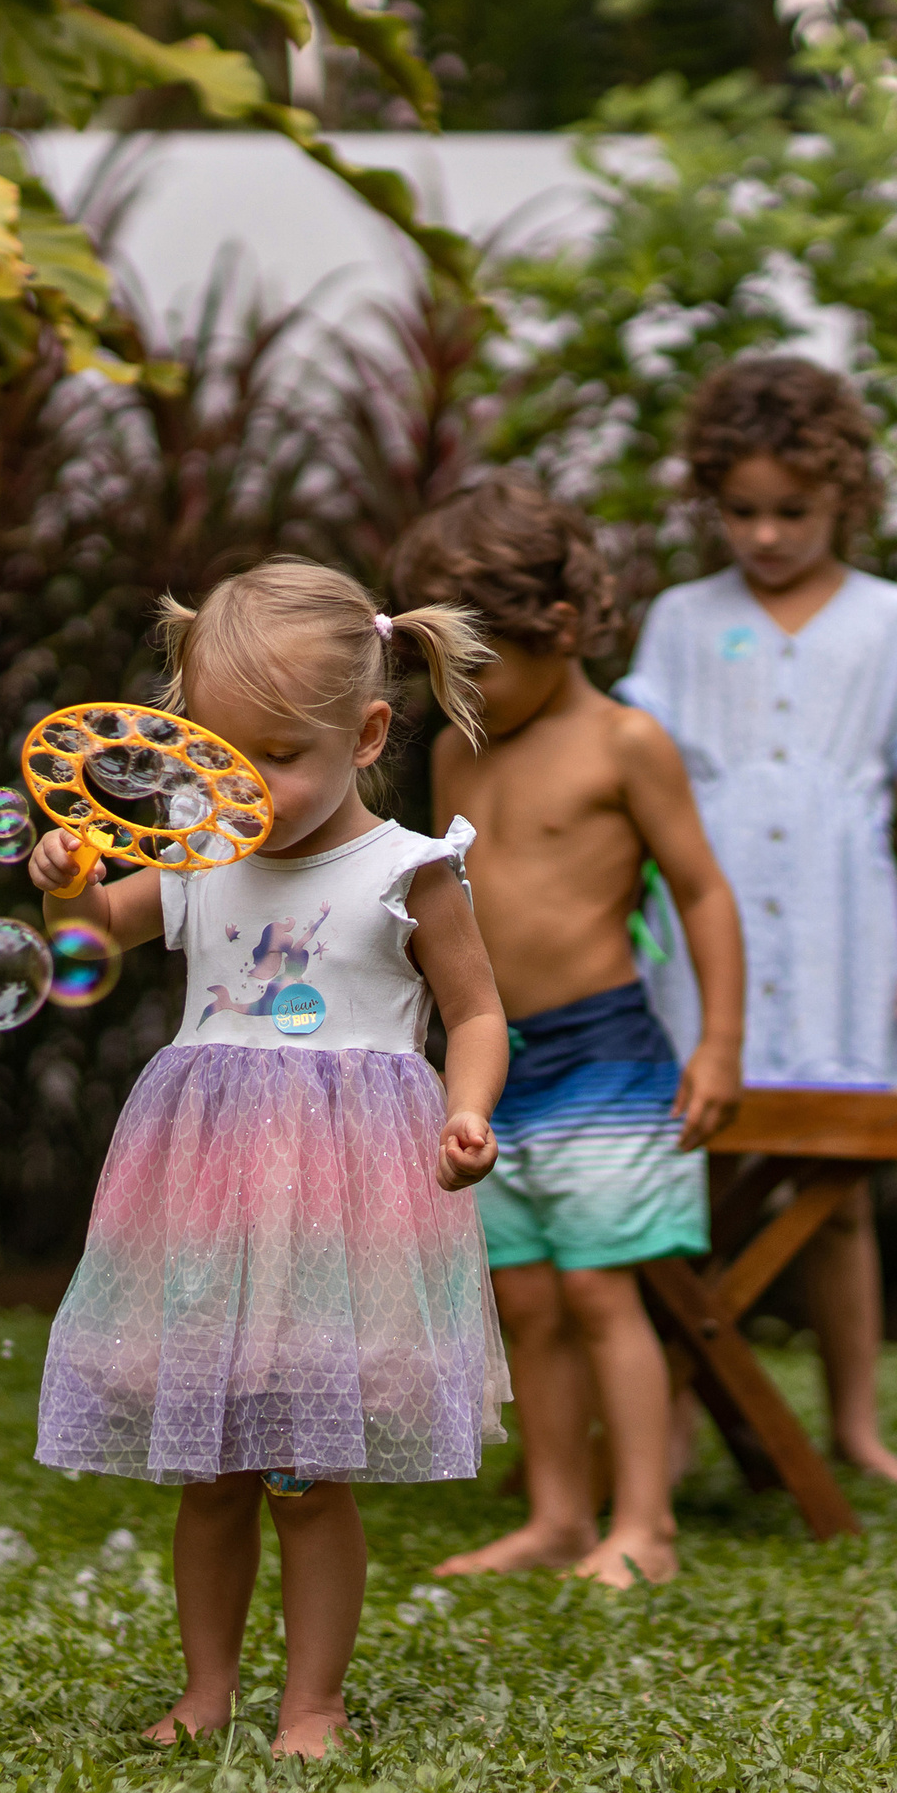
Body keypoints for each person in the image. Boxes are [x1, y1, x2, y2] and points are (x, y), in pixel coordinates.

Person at [27, 559, 513, 1753]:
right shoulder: (201, 854)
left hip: (343, 1202)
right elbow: (90, 953)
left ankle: (312, 1702)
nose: (241, 788)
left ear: (367, 732)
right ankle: (203, 1695)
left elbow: (481, 1011)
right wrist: (69, 886)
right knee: (210, 1470)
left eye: (277, 759)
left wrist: (468, 1111)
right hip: (204, 1194)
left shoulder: (407, 870)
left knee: (307, 1467)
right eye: (218, 755)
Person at [392, 474, 747, 1588]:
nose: (466, 698)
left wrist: (720, 1042)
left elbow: (700, 892)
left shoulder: (625, 742)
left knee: (603, 1288)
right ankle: (554, 1516)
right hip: (492, 1061)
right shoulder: (456, 752)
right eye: (446, 677)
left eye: (481, 670)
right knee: (527, 1300)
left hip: (605, 1053)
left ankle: (644, 1522)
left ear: (561, 626)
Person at [620, 356, 897, 1487]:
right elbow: (640, 777)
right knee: (684, 1182)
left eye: (793, 512)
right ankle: (663, 1416)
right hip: (704, 931)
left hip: (842, 930)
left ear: (846, 496)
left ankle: (855, 1424)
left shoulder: (895, 621)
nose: (765, 536)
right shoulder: (680, 619)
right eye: (741, 512)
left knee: (838, 1193)